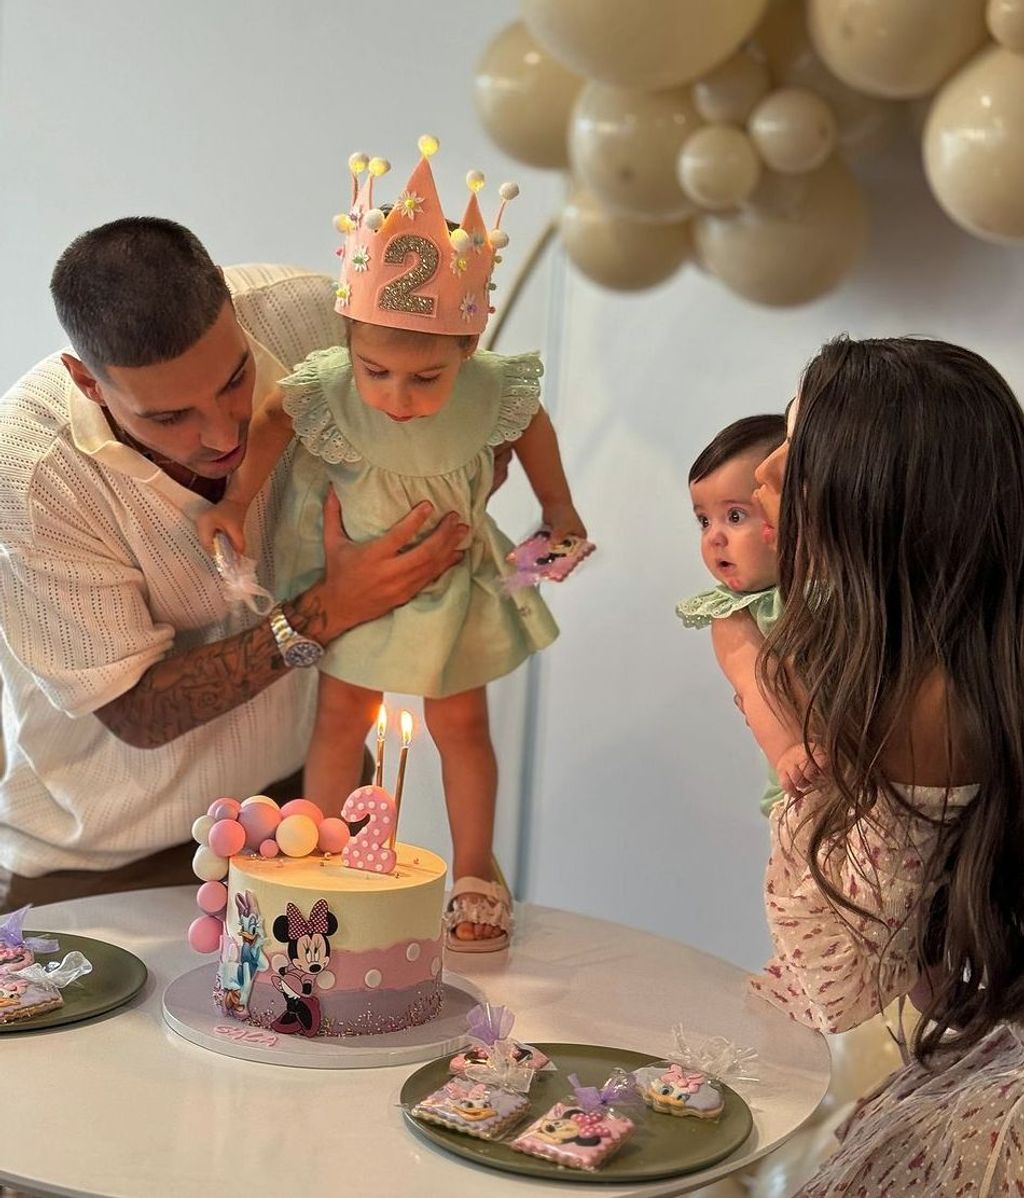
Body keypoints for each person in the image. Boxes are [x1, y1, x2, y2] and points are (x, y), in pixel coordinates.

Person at [0, 217, 473, 912]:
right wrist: (331, 609)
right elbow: (139, 713)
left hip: (308, 798)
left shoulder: (312, 317)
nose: (223, 432)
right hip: (108, 856)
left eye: (234, 380)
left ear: (233, 308)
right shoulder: (32, 472)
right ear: (88, 383)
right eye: (169, 418)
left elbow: (449, 389)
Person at [198, 139, 586, 952]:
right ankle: (323, 852)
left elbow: (533, 425)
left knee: (462, 728)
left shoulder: (490, 389)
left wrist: (559, 507)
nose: (396, 397)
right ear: (346, 341)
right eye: (376, 372)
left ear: (466, 352)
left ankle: (477, 869)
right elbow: (272, 419)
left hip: (454, 581)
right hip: (355, 583)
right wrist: (237, 497)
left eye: (424, 379)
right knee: (341, 720)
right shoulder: (331, 383)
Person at [748, 336, 1024, 1193]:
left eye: (799, 445)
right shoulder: (975, 661)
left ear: (869, 495)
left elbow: (840, 970)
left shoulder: (924, 706)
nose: (766, 469)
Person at [676, 414, 820, 811]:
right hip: (804, 783)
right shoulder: (735, 615)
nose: (714, 537)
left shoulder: (830, 582)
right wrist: (790, 749)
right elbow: (757, 684)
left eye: (735, 516)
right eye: (703, 520)